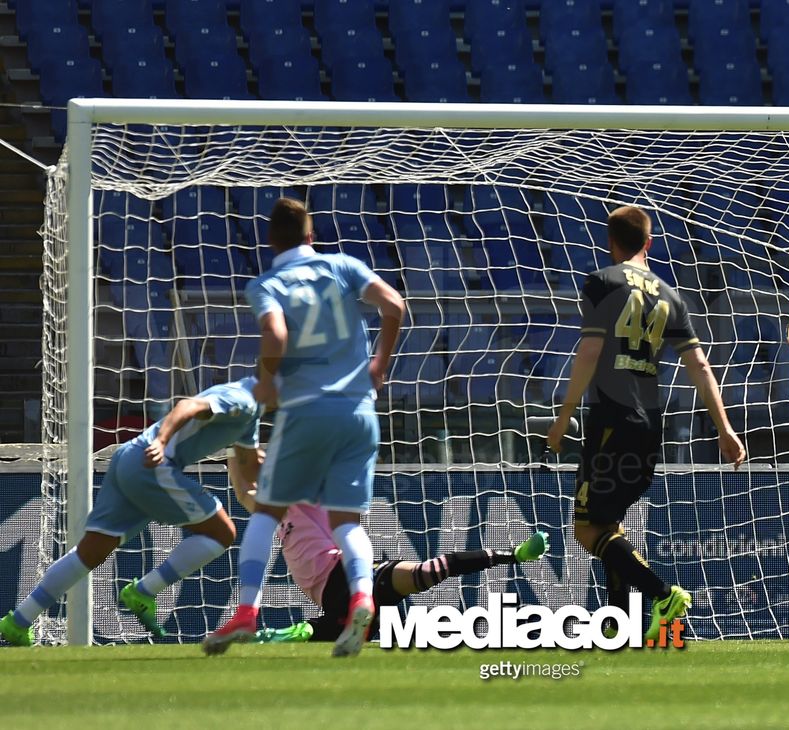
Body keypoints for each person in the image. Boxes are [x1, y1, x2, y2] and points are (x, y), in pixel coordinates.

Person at [203, 198, 405, 658]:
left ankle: (246, 613)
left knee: (268, 511)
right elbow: (394, 304)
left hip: (308, 409)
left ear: (272, 241)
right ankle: (361, 597)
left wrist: (267, 383)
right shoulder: (344, 266)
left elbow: (275, 336)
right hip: (358, 413)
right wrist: (379, 366)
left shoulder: (268, 283)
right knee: (347, 522)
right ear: (312, 236)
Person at [547, 205, 746, 642]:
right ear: (649, 243)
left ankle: (661, 594)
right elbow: (700, 366)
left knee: (586, 528)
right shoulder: (671, 295)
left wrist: (563, 419)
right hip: (648, 424)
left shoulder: (602, 281)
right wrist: (725, 429)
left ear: (609, 241)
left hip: (609, 420)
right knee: (610, 525)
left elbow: (590, 353)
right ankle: (618, 629)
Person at [0, 378, 263, 646]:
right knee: (222, 532)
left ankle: (18, 621)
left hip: (129, 456)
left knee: (90, 551)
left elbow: (250, 473)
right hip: (155, 463)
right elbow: (188, 405)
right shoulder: (242, 399)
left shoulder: (251, 417)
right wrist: (161, 442)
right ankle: (145, 590)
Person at [226, 484, 549, 644]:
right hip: (335, 591)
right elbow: (244, 491)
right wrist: (234, 452)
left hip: (345, 575)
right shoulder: (276, 514)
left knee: (422, 576)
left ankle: (302, 631)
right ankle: (302, 631)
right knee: (414, 583)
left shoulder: (310, 498)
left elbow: (252, 485)